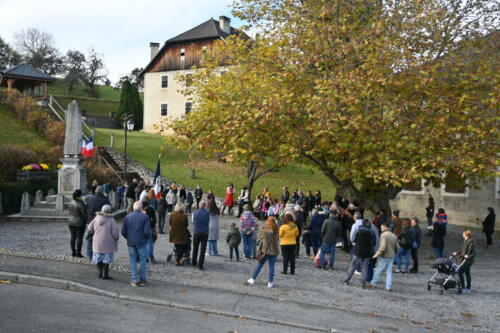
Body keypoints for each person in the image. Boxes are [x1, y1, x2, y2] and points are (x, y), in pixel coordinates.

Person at [121, 201, 151, 287]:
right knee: (143, 260)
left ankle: (135, 279)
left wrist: (128, 237)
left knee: (133, 260)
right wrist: (145, 238)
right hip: (141, 242)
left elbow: (123, 232)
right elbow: (146, 232)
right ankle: (143, 279)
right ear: (141, 208)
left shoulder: (127, 217)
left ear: (133, 208)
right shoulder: (145, 217)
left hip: (131, 242)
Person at [87, 205, 119, 280]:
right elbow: (115, 233)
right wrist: (116, 238)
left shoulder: (96, 217)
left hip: (97, 241)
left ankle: (100, 273)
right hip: (108, 242)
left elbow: (89, 227)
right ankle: (105, 274)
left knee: (98, 257)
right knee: (106, 259)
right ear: (110, 211)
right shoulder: (111, 220)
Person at [247, 217, 280, 288]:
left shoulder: (265, 230)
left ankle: (253, 278)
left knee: (259, 265)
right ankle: (270, 283)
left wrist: (262, 250)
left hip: (265, 251)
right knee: (272, 267)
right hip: (274, 250)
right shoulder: (277, 230)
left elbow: (263, 241)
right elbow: (277, 239)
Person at [344, 218, 375, 288]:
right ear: (368, 224)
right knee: (365, 268)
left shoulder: (358, 230)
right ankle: (363, 283)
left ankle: (346, 280)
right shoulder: (371, 232)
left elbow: (353, 239)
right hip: (367, 252)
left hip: (357, 251)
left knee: (353, 266)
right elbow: (373, 243)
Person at [369, 223, 399, 291]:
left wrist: (376, 254)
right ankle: (388, 286)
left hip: (384, 256)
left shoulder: (383, 235)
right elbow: (397, 247)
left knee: (378, 270)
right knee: (389, 272)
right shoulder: (394, 236)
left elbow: (383, 247)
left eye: (382, 228)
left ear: (386, 227)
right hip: (391, 256)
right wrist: (394, 253)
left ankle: (373, 283)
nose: (381, 229)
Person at [85, 186, 111, 259]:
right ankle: (100, 254)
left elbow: (86, 208)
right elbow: (109, 209)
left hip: (91, 220)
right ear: (102, 191)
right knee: (101, 237)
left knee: (90, 237)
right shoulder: (105, 200)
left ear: (95, 191)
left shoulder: (89, 198)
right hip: (101, 221)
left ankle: (90, 254)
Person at [68, 189, 87, 258]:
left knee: (73, 237)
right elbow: (84, 214)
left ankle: (73, 252)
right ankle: (78, 253)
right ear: (80, 195)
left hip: (71, 222)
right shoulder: (81, 203)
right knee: (79, 238)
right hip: (79, 223)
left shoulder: (71, 202)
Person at [192, 200, 210, 270]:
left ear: (199, 205)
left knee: (195, 248)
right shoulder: (208, 213)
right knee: (203, 249)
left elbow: (193, 221)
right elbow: (208, 221)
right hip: (205, 232)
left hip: (197, 232)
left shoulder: (195, 212)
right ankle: (200, 264)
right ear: (205, 206)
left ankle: (194, 262)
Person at [142, 198, 158, 264]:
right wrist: (154, 228)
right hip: (149, 227)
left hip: (142, 228)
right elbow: (154, 219)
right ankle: (151, 258)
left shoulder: (141, 210)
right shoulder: (151, 209)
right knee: (150, 244)